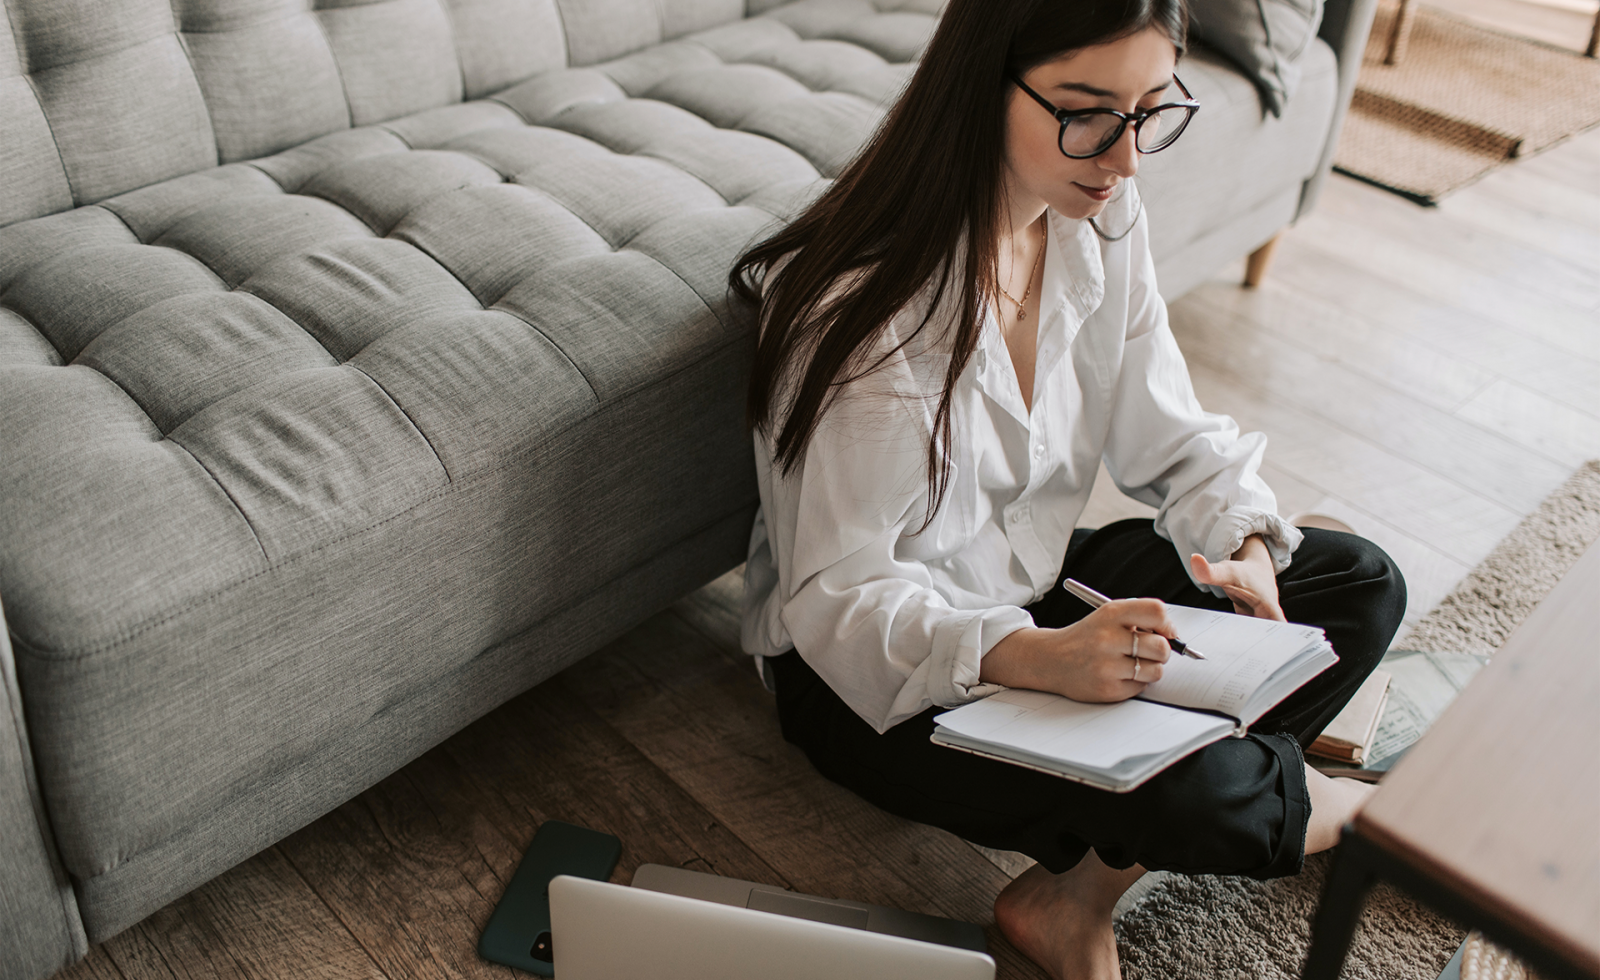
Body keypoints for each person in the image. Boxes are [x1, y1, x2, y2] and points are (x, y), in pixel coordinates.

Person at [727, 0, 1407, 977]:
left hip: (1032, 582)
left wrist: (1244, 551)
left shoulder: (1098, 214)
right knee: (1198, 789)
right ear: (982, 86)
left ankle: (1076, 889)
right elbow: (841, 600)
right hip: (877, 671)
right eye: (1087, 113)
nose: (1125, 159)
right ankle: (1317, 798)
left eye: (1149, 112)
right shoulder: (866, 312)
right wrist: (1040, 660)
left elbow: (1168, 428)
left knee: (1354, 581)